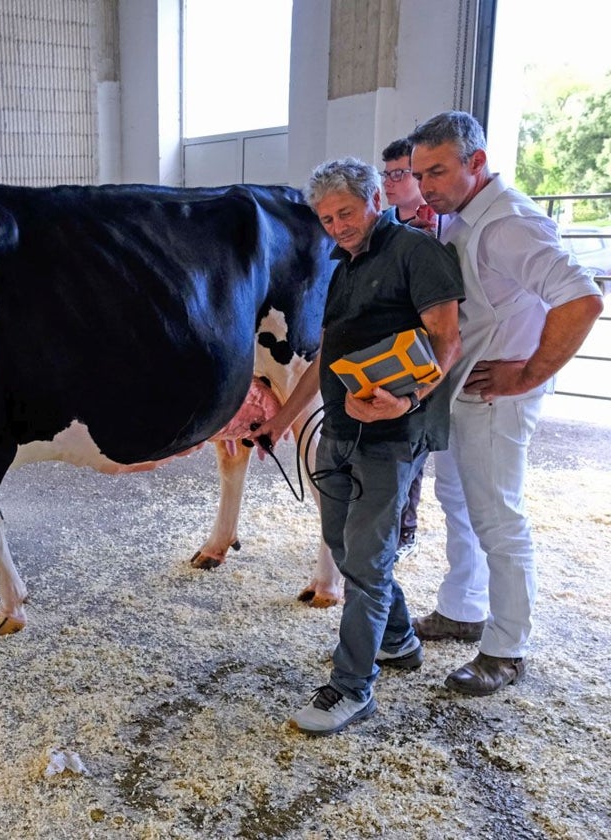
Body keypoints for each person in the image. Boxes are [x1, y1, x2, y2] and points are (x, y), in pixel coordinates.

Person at [249, 158, 463, 736]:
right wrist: (282, 421)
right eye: (326, 217)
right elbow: (326, 359)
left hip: (393, 436)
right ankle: (396, 641)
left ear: (374, 199)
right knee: (344, 549)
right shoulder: (342, 265)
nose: (337, 225)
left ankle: (352, 688)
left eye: (345, 211)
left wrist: (410, 400)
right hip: (341, 428)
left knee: (366, 564)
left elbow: (447, 339)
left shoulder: (417, 253)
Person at [407, 111, 604, 696]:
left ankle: (506, 647)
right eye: (419, 174)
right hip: (464, 389)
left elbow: (582, 299)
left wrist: (529, 374)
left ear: (476, 162)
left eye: (437, 171)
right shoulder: (465, 217)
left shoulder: (509, 223)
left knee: (498, 516)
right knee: (458, 501)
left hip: (496, 397)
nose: (427, 186)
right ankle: (462, 607)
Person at [380, 136, 437, 561]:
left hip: (420, 345)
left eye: (402, 174)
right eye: (388, 174)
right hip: (380, 343)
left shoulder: (437, 226)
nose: (392, 182)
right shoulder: (380, 223)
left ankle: (405, 529)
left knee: (410, 441)